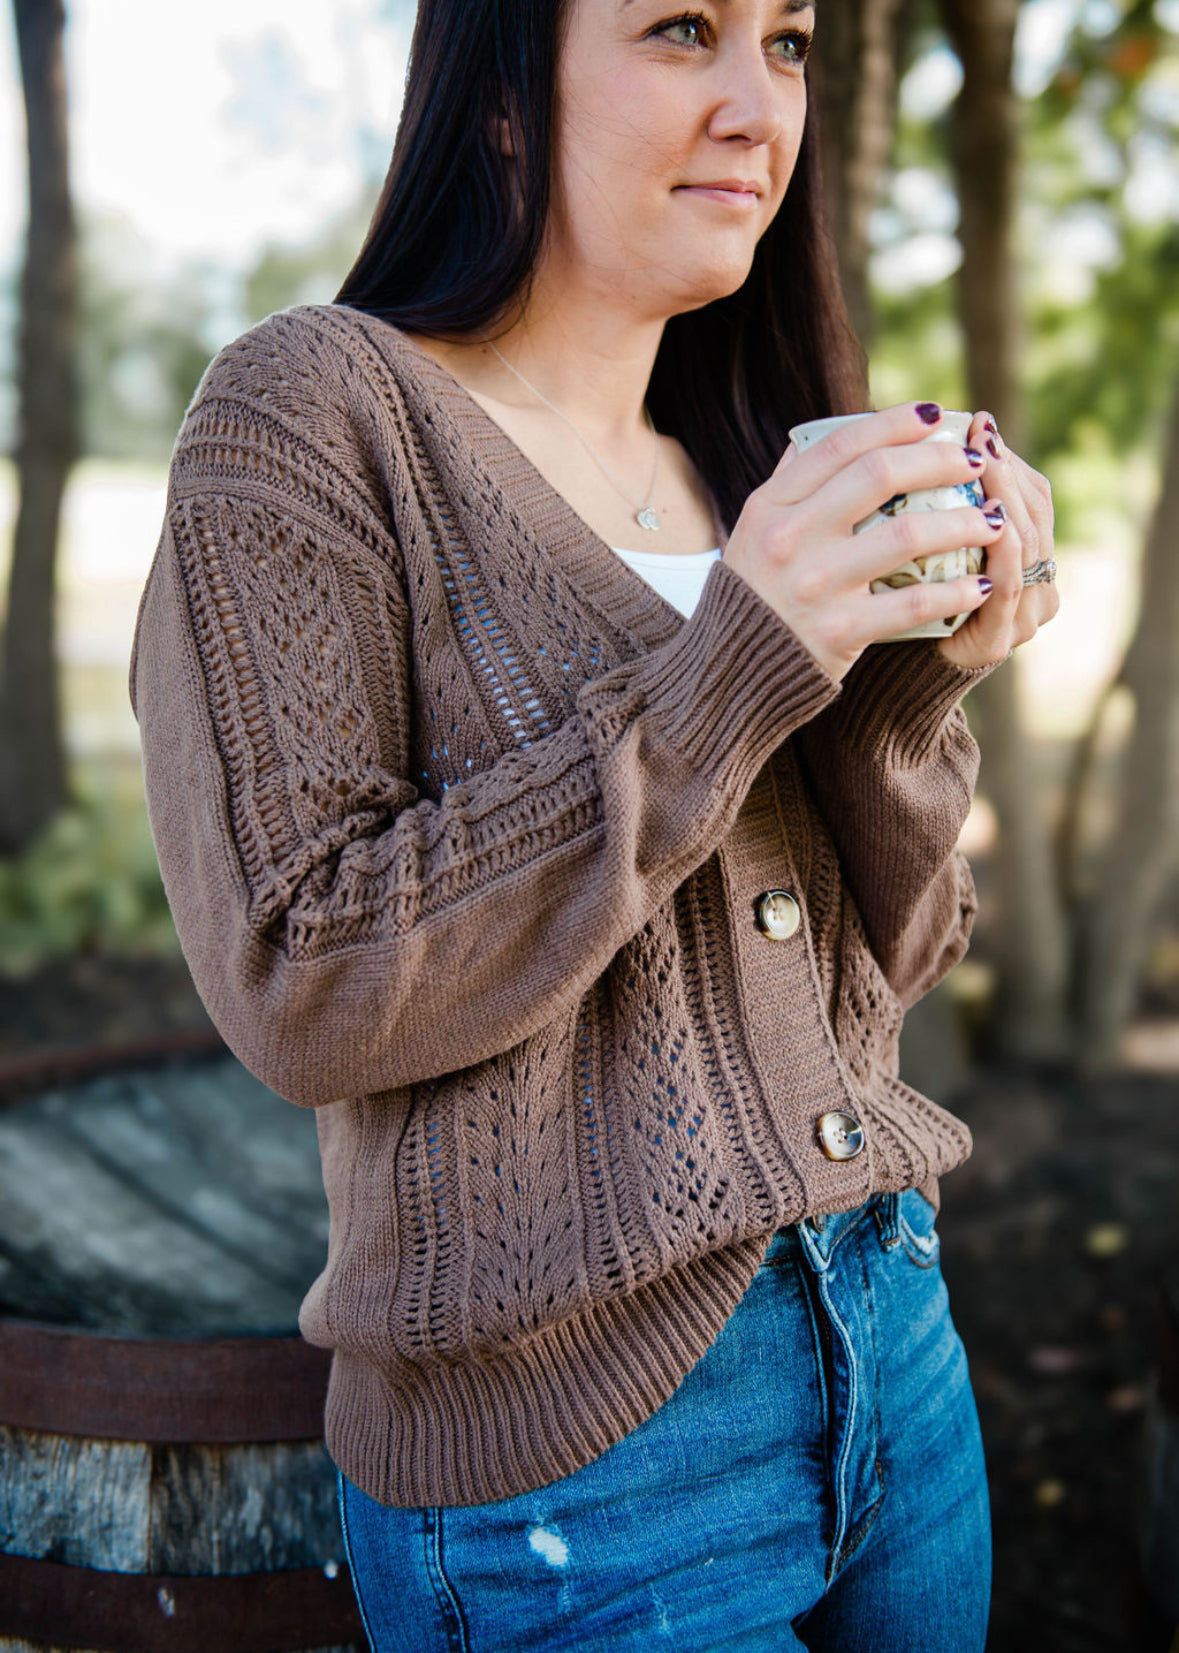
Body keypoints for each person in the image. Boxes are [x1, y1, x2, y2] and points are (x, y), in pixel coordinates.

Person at [129, 0, 1059, 1647]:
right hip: (578, 1467)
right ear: (498, 95)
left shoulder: (755, 457)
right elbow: (302, 971)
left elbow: (898, 966)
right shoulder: (316, 416)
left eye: (784, 44)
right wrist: (731, 671)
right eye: (682, 27)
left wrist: (920, 694)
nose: (755, 103)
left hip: (895, 1341)